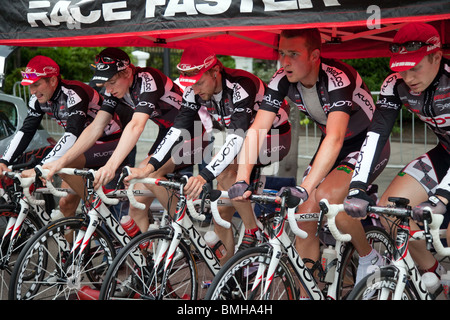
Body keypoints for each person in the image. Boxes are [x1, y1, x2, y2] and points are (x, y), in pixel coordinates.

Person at [230, 28, 391, 287]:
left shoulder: (338, 78)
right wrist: (241, 178)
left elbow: (337, 137)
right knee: (302, 219)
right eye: (282, 53)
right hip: (332, 145)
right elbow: (257, 129)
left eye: (293, 54)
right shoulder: (282, 78)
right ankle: (309, 292)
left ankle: (369, 257)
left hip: (366, 145)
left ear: (315, 55)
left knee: (327, 197)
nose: (285, 61)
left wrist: (305, 188)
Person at [125, 44, 291, 262]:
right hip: (245, 138)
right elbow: (176, 130)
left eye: (200, 82)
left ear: (215, 72)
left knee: (224, 172)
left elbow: (237, 137)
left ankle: (253, 229)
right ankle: (225, 275)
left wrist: (205, 175)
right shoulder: (194, 90)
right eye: (191, 85)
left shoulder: (241, 85)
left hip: (274, 137)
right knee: (220, 212)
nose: (196, 90)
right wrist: (149, 166)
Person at [344, 22, 449, 277]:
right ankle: (434, 280)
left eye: (415, 68)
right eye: (402, 70)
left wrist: (443, 195)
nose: (408, 78)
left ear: (436, 56)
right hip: (445, 153)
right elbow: (376, 134)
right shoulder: (395, 85)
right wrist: (357, 185)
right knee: (391, 216)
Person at [45, 47, 188, 232]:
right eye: (106, 84)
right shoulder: (115, 91)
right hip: (168, 134)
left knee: (151, 175)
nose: (109, 89)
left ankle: (185, 238)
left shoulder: (147, 78)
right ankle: (145, 258)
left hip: (194, 133)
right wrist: (60, 161)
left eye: (112, 81)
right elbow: (96, 126)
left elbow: (137, 125)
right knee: (136, 204)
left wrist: (111, 166)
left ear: (127, 71)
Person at [0, 55, 122, 217]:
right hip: (83, 147)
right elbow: (26, 131)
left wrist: (42, 167)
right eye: (30, 86)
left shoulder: (74, 92)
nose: (33, 91)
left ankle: (99, 209)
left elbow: (73, 132)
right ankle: (74, 237)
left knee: (63, 165)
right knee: (66, 205)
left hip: (110, 142)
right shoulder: (37, 99)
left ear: (52, 81)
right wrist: (4, 161)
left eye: (36, 84)